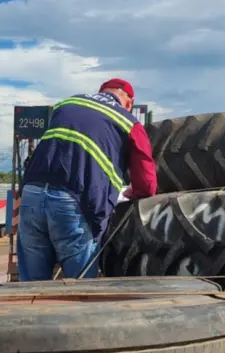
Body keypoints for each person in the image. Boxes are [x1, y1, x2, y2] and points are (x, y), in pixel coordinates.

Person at [17, 78, 157, 281]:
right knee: (80, 288)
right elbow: (147, 182)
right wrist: (133, 192)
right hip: (72, 201)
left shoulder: (68, 103)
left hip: (31, 194)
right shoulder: (128, 121)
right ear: (129, 102)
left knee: (31, 285)